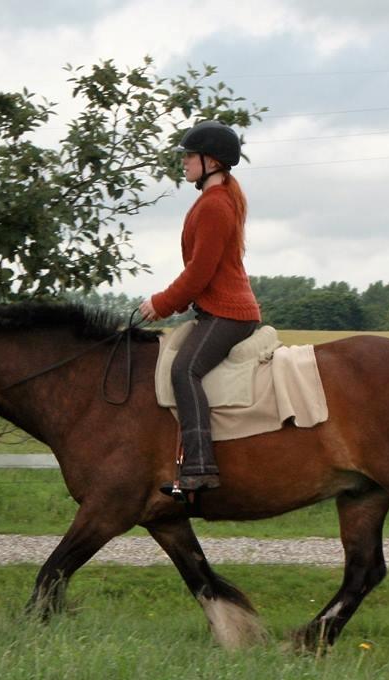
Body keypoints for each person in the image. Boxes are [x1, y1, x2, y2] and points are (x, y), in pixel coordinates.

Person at [139, 120, 261, 497]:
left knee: (184, 369)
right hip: (218, 311)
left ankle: (201, 466)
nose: (185, 162)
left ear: (211, 161)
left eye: (190, 156)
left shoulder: (215, 205)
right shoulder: (216, 199)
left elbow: (199, 274)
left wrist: (160, 304)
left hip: (229, 313)